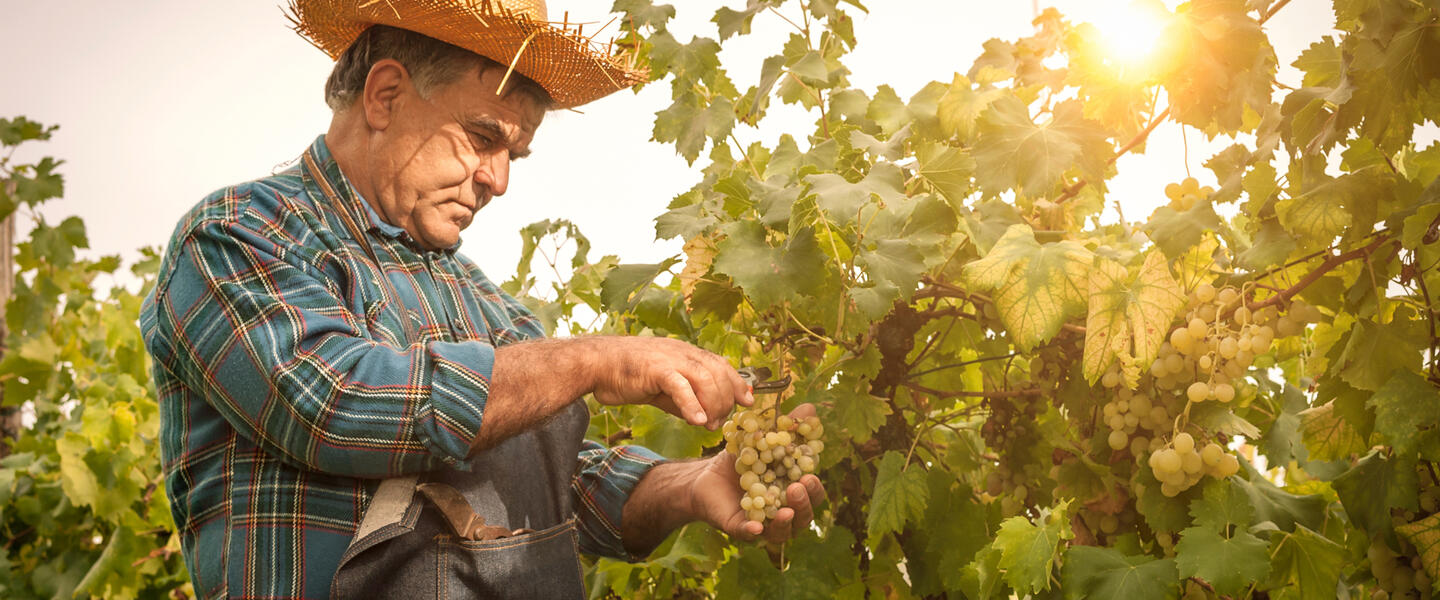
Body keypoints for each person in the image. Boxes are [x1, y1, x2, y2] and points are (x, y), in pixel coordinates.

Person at [138, 1, 825, 598]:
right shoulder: (240, 236)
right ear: (384, 95)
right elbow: (338, 405)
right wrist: (593, 359)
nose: (497, 180)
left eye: (513, 155)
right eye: (483, 137)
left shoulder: (481, 298)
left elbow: (570, 487)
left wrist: (693, 485)